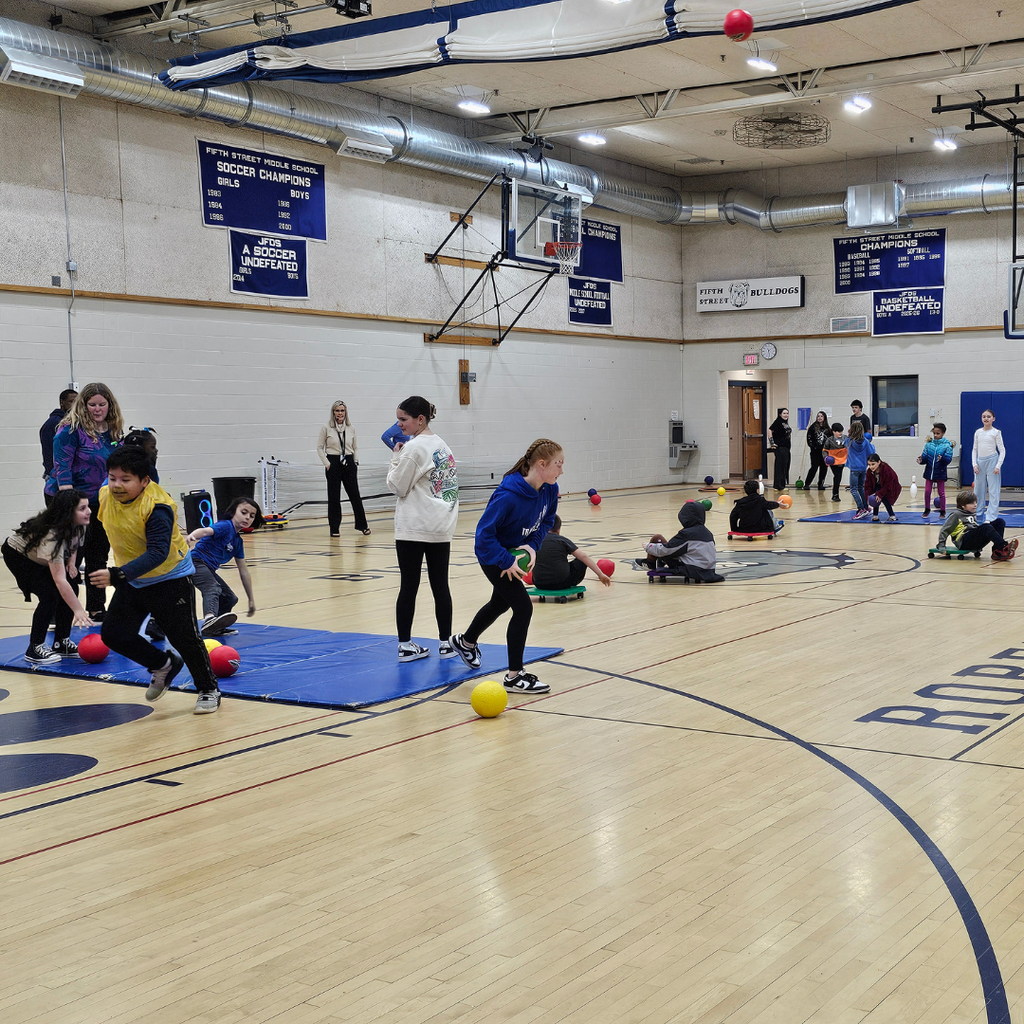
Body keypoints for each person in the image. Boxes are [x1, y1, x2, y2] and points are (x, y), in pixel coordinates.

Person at [88, 447, 222, 715]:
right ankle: (163, 665)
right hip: (134, 578)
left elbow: (158, 553)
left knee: (184, 638)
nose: (116, 485)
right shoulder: (105, 496)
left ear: (144, 480)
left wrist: (116, 575)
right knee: (113, 634)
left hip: (169, 579)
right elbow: (96, 531)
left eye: (125, 479)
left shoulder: (157, 507)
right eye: (112, 477)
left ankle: (208, 688)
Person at [449, 439, 562, 694]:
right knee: (522, 607)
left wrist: (533, 546)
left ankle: (466, 642)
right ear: (541, 465)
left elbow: (547, 522)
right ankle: (514, 676)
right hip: (493, 556)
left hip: (514, 553)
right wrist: (506, 560)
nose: (561, 470)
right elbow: (483, 537)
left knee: (500, 602)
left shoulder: (550, 489)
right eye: (558, 464)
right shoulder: (507, 495)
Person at [385, 396, 459, 663]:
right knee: (441, 586)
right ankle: (446, 644)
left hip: (413, 529)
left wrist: (395, 458)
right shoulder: (443, 446)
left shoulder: (413, 449)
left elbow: (397, 486)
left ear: (420, 419)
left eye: (403, 419)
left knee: (409, 586)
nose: (399, 424)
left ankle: (405, 645)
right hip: (439, 527)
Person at [45, 383, 124, 619]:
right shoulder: (70, 430)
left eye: (102, 404)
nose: (97, 409)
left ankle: (97, 607)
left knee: (98, 552)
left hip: (99, 499)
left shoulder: (112, 430)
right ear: (83, 405)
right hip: (68, 496)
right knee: (71, 554)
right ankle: (62, 610)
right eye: (92, 405)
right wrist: (70, 506)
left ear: (109, 405)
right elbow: (62, 468)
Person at [2, 490, 92, 664]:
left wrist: (71, 563)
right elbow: (59, 580)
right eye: (83, 508)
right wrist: (78, 610)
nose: (88, 511)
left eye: (88, 506)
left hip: (40, 555)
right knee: (49, 595)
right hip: (18, 555)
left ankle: (61, 642)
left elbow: (74, 545)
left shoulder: (80, 523)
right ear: (68, 512)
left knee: (72, 587)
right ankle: (35, 647)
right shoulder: (53, 536)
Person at [186, 496, 263, 638]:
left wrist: (251, 599)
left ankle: (215, 627)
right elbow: (205, 531)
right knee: (213, 588)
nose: (247, 518)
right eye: (244, 512)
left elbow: (244, 571)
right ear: (233, 512)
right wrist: (192, 536)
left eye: (252, 516)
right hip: (196, 562)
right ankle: (209, 618)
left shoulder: (237, 542)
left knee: (229, 598)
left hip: (207, 568)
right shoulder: (225, 526)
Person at [632, 501, 725, 583]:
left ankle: (650, 563)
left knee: (657, 538)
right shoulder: (708, 533)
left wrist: (649, 547)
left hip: (692, 569)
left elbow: (668, 549)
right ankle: (656, 562)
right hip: (709, 570)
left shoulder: (687, 534)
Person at [316, 400, 370, 538]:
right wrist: (327, 463)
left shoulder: (351, 428)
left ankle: (362, 525)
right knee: (334, 497)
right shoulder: (326, 427)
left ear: (345, 412)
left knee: (355, 496)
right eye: (337, 410)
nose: (340, 413)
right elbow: (319, 447)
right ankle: (334, 528)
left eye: (342, 410)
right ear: (333, 412)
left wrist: (356, 461)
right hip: (333, 462)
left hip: (349, 461)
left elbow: (355, 446)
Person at [534, 515, 612, 591]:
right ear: (559, 529)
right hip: (561, 583)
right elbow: (583, 556)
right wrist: (600, 574)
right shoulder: (562, 540)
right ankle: (572, 583)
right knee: (581, 561)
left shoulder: (536, 541)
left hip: (539, 583)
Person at [936, 489, 1017, 561]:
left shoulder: (971, 513)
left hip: (973, 539)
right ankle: (1003, 546)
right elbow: (945, 530)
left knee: (999, 522)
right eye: (971, 503)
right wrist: (941, 546)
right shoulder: (956, 515)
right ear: (962, 505)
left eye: (975, 502)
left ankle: (998, 552)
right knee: (985, 527)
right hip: (964, 541)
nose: (975, 505)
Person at [972, 409, 1005, 524]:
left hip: (992, 461)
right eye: (983, 416)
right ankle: (978, 511)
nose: (986, 418)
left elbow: (1002, 450)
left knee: (993, 490)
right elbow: (974, 449)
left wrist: (998, 465)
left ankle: (991, 515)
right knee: (978, 489)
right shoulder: (978, 432)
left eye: (988, 416)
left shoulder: (996, 432)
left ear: (993, 419)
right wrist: (974, 464)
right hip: (980, 462)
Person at [918, 422, 955, 518]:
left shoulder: (947, 446)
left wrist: (942, 459)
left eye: (938, 433)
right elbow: (925, 458)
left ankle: (943, 511)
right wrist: (921, 460)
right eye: (934, 433)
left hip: (941, 472)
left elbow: (948, 459)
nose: (935, 435)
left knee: (941, 492)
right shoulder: (928, 445)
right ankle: (927, 509)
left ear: (943, 433)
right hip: (929, 472)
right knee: (927, 491)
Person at [39, 388, 77, 480]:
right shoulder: (54, 423)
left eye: (77, 402)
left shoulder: (74, 423)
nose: (75, 405)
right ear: (62, 402)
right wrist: (53, 473)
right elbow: (48, 452)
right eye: (71, 401)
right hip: (57, 475)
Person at [846, 420, 875, 520]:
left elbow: (842, 443)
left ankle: (861, 508)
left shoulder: (849, 441)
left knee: (853, 489)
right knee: (861, 487)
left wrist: (849, 433)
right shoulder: (866, 442)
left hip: (854, 468)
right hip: (863, 468)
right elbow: (872, 451)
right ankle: (866, 507)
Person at [865, 454, 902, 522]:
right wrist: (868, 497)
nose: (871, 467)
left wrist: (880, 494)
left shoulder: (886, 470)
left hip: (891, 485)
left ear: (879, 462)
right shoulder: (869, 471)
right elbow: (867, 484)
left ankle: (892, 516)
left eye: (873, 464)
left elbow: (888, 484)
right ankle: (875, 516)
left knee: (885, 499)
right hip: (879, 485)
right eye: (869, 465)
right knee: (876, 498)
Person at [805, 411, 830, 490]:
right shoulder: (813, 427)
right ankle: (807, 484)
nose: (819, 418)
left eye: (821, 416)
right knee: (814, 467)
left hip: (824, 452)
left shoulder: (827, 429)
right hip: (815, 451)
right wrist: (813, 447)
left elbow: (830, 440)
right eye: (818, 416)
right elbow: (809, 438)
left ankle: (820, 484)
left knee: (824, 468)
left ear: (824, 418)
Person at [768, 408, 791, 490]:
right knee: (780, 466)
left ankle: (781, 484)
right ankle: (779, 486)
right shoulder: (778, 422)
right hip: (780, 447)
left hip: (786, 447)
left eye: (787, 413)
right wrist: (772, 442)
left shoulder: (785, 423)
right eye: (784, 413)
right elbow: (770, 430)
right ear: (780, 414)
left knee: (785, 466)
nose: (786, 415)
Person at [823, 423, 847, 502]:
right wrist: (826, 458)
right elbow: (825, 450)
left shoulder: (845, 438)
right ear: (833, 431)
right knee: (837, 476)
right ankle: (835, 494)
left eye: (841, 431)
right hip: (833, 461)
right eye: (838, 431)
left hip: (842, 461)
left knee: (838, 477)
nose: (840, 433)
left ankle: (835, 494)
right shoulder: (829, 440)